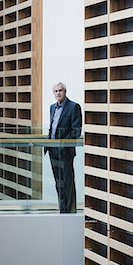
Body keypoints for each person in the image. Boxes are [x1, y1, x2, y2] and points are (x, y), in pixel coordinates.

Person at [46, 82, 82, 213]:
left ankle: (70, 211)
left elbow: (76, 131)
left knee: (67, 182)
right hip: (53, 151)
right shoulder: (52, 108)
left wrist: (63, 143)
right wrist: (48, 143)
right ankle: (63, 210)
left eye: (60, 90)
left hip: (65, 151)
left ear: (65, 92)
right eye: (55, 91)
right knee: (58, 182)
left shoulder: (73, 107)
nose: (58, 93)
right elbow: (52, 128)